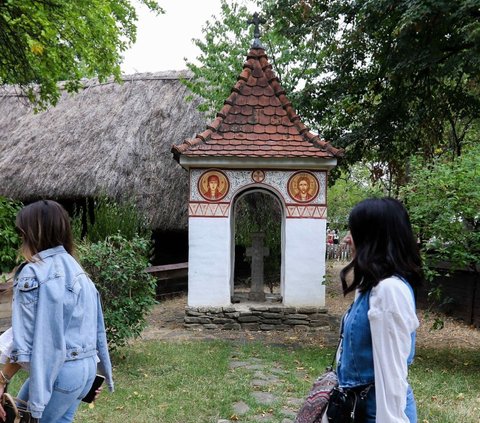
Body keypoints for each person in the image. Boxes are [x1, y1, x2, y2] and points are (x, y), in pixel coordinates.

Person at [0, 200, 114, 423]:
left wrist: (2, 378)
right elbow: (91, 329)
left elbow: (26, 338)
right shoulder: (75, 268)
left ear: (31, 232)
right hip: (84, 371)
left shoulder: (33, 273)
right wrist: (91, 373)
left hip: (58, 373)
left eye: (22, 232)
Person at [332, 197, 423, 422]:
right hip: (356, 408)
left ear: (373, 238)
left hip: (376, 413)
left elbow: (392, 375)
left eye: (353, 232)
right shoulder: (371, 287)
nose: (347, 239)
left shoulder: (389, 290)